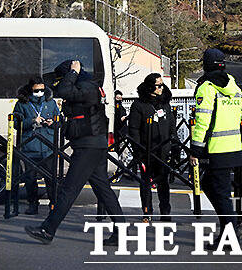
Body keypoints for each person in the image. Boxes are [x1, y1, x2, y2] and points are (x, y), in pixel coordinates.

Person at [25, 60, 124, 245]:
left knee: (68, 190)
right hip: (92, 145)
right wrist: (56, 124)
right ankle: (121, 231)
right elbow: (80, 117)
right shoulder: (84, 87)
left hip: (89, 147)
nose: (60, 82)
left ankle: (48, 230)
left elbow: (62, 91)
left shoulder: (86, 86)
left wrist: (72, 72)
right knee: (103, 190)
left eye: (63, 78)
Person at [189, 49, 242, 249]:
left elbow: (202, 121)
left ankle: (230, 235)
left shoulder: (206, 87)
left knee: (219, 192)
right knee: (215, 188)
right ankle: (229, 229)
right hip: (233, 146)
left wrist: (195, 150)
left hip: (216, 148)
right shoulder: (233, 85)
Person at [128, 73, 176, 222]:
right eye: (158, 85)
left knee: (163, 182)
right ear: (150, 87)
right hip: (146, 150)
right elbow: (134, 129)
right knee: (145, 182)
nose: (161, 88)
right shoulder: (139, 105)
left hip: (163, 149)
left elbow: (171, 125)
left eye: (162, 85)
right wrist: (137, 149)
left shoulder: (165, 103)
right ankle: (147, 211)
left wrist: (173, 145)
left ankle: (165, 211)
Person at [13, 77, 60, 215]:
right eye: (37, 90)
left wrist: (54, 122)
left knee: (51, 178)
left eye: (42, 89)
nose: (40, 92)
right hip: (30, 145)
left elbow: (59, 120)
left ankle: (53, 203)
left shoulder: (50, 102)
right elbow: (15, 123)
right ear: (31, 89)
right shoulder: (22, 103)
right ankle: (33, 204)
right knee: (30, 178)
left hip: (48, 145)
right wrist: (32, 120)